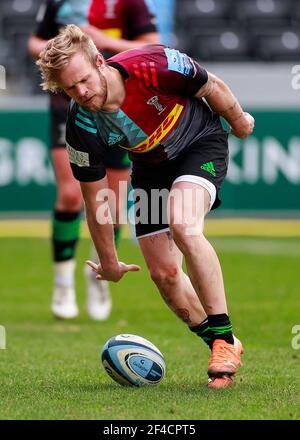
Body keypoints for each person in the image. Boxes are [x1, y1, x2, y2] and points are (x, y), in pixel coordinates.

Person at [37, 25, 254, 388]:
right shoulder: (81, 123)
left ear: (99, 61)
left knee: (183, 224)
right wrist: (108, 262)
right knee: (164, 275)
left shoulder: (154, 63)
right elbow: (96, 199)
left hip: (200, 144)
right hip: (152, 170)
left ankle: (224, 338)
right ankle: (222, 343)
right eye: (70, 88)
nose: (82, 92)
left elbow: (210, 85)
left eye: (84, 80)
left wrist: (238, 120)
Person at [28, 0, 159, 320]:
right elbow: (33, 41)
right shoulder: (57, 2)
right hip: (67, 108)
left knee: (112, 207)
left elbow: (152, 45)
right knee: (72, 195)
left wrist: (104, 41)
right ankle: (62, 282)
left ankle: (99, 272)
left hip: (114, 108)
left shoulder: (130, 3)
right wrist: (63, 57)